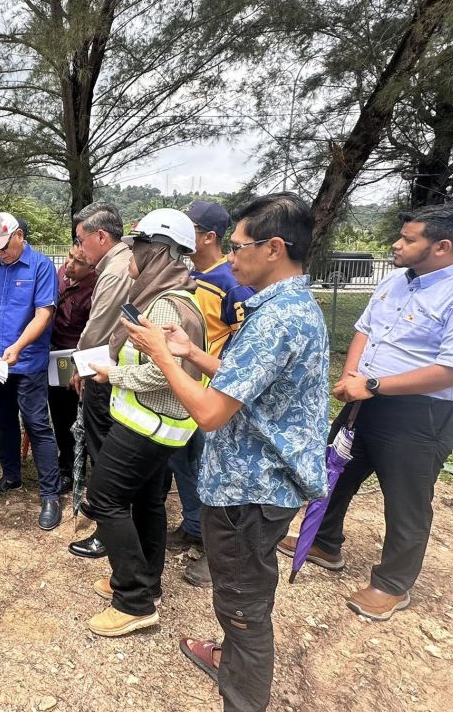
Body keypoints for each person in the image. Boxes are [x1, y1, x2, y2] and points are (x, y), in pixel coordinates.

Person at [127, 193, 329, 712]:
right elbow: (248, 381)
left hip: (250, 490)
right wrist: (191, 352)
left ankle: (243, 695)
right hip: (259, 485)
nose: (229, 257)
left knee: (243, 605)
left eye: (238, 247)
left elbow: (211, 413)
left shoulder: (276, 319)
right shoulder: (287, 308)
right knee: (245, 590)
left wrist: (161, 357)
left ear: (274, 248)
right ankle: (232, 657)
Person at [280, 203, 453, 622]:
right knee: (335, 472)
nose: (396, 244)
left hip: (423, 414)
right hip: (365, 400)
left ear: (442, 247)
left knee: (406, 499)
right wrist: (352, 377)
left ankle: (393, 584)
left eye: (408, 239)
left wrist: (373, 385)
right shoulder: (396, 281)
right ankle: (324, 541)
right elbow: (365, 330)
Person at [84, 209, 206, 637]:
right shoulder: (166, 294)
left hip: (148, 427)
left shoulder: (167, 304)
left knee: (104, 500)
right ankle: (146, 581)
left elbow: (162, 372)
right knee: (147, 502)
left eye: (137, 244)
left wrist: (111, 375)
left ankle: (133, 600)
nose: (129, 251)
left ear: (157, 250)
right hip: (158, 425)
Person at [168, 201, 254, 587]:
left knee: (214, 472)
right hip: (184, 389)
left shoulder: (231, 282)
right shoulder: (188, 275)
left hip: (213, 393)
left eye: (191, 228)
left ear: (209, 237)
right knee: (182, 463)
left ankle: (219, 552)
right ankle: (193, 526)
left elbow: (241, 341)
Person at [0, 212, 62, 530]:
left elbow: (43, 313)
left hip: (27, 362)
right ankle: (11, 476)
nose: (0, 253)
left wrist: (19, 346)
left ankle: (51, 495)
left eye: (4, 247)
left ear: (19, 236)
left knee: (37, 424)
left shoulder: (41, 267)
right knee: (5, 419)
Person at [68, 202, 133, 559]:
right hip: (111, 367)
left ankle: (109, 529)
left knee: (104, 451)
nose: (79, 249)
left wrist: (79, 366)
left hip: (105, 370)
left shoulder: (116, 270)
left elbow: (98, 328)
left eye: (82, 240)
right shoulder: (120, 264)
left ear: (101, 236)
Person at [48, 242, 97, 493]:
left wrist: (82, 367)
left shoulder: (97, 287)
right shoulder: (60, 273)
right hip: (54, 355)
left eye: (79, 262)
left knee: (79, 417)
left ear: (92, 267)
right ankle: (65, 465)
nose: (70, 264)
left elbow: (95, 332)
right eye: (69, 257)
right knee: (59, 414)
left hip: (79, 358)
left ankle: (80, 469)